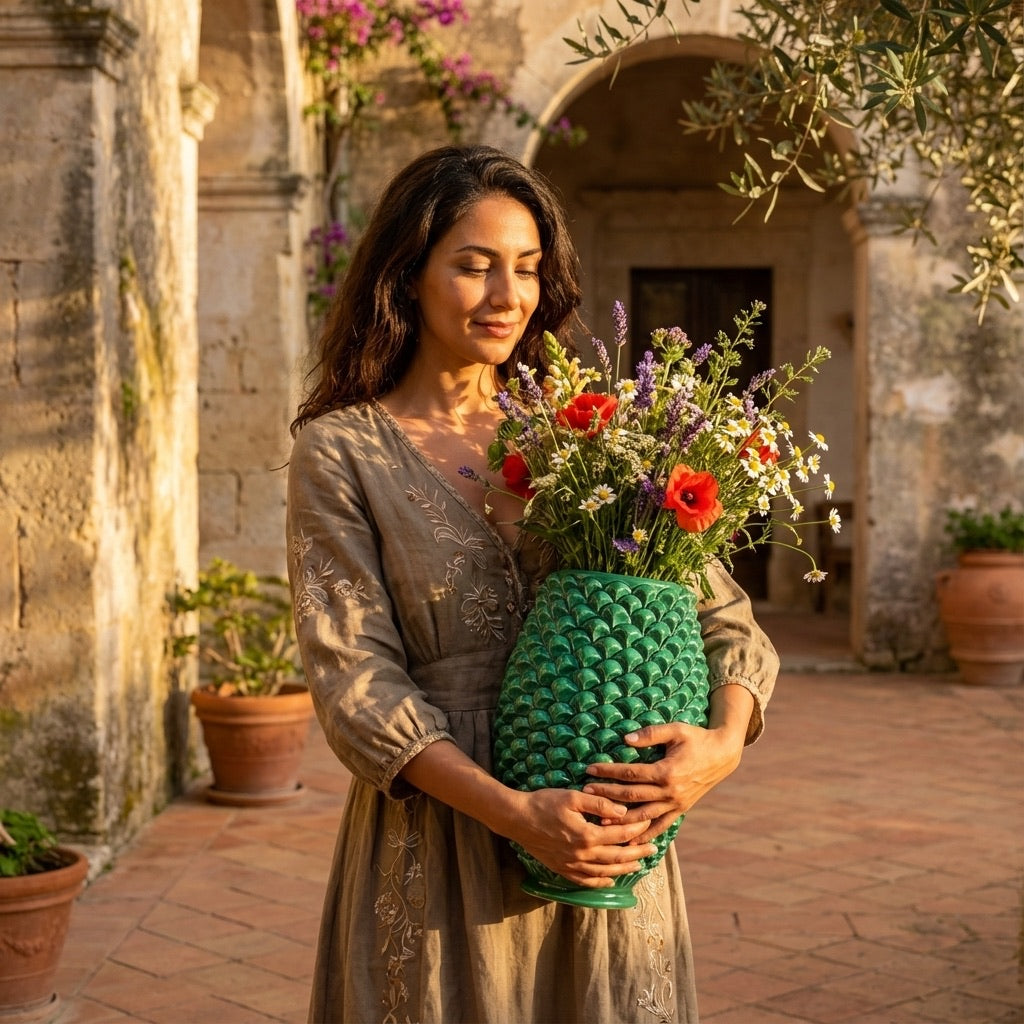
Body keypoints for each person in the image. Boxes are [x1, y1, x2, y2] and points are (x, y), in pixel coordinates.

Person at [286, 144, 780, 1024]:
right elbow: (355, 682)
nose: (506, 296)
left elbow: (725, 617)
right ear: (406, 277)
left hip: (610, 830)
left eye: (526, 268)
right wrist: (515, 813)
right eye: (473, 266)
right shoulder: (343, 451)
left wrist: (721, 748)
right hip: (443, 831)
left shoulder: (591, 432)